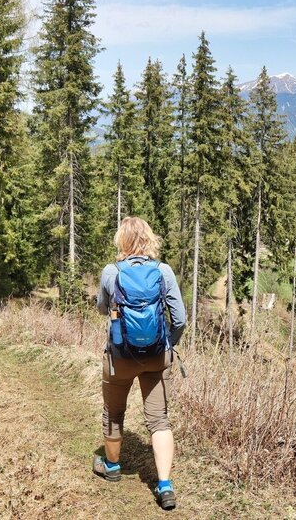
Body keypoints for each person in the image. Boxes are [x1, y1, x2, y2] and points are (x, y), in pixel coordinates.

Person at [92, 216, 186, 511]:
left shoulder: (111, 271)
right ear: (149, 239)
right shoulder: (164, 271)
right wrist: (167, 342)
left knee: (114, 412)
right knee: (159, 420)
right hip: (157, 357)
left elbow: (101, 308)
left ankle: (112, 466)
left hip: (119, 357)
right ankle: (165, 485)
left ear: (122, 241)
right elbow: (180, 318)